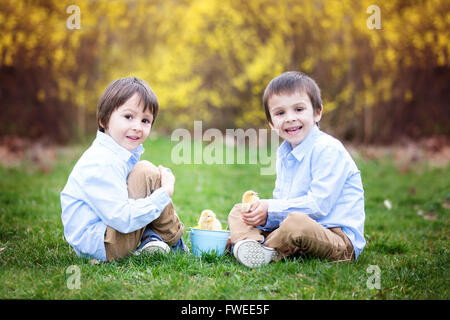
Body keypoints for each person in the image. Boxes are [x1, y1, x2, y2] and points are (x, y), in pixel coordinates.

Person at [228, 71, 366, 268]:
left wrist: (271, 209)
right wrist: (263, 214)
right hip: (295, 231)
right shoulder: (284, 153)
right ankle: (252, 246)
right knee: (240, 211)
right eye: (280, 113)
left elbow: (318, 206)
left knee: (296, 222)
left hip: (336, 239)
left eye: (299, 109)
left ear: (317, 112)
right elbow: (285, 202)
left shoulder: (328, 149)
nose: (290, 118)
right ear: (271, 123)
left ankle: (255, 247)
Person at [61, 77, 186, 262]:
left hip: (108, 236)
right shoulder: (101, 161)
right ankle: (174, 243)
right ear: (104, 120)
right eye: (128, 117)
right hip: (105, 244)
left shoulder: (117, 154)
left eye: (145, 120)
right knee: (147, 172)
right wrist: (164, 192)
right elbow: (122, 218)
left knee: (149, 173)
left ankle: (151, 239)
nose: (137, 127)